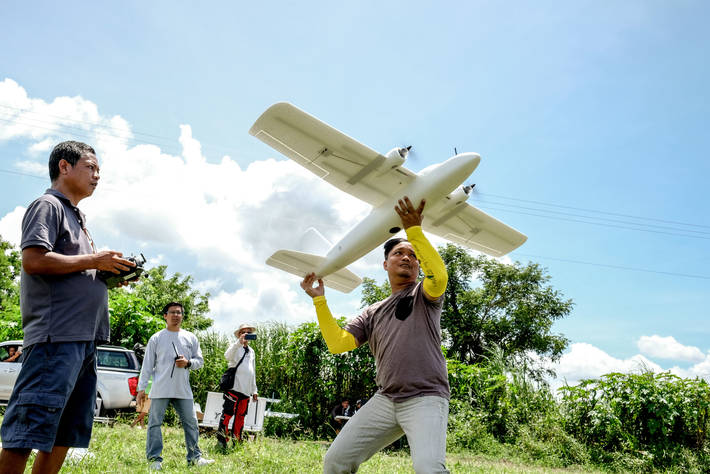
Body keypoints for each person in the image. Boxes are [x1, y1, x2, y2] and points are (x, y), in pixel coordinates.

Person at [0, 141, 136, 474]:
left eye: (98, 169)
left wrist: (107, 274)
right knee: (27, 429)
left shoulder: (78, 218)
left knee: (65, 433)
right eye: (91, 167)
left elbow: (74, 269)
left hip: (85, 342)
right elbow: (34, 260)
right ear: (64, 167)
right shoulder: (48, 205)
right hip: (55, 338)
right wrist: (94, 259)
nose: (97, 175)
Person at [301, 196, 450, 474]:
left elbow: (439, 277)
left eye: (413, 256)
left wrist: (414, 230)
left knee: (429, 468)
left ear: (419, 266)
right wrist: (320, 300)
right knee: (336, 461)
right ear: (385, 265)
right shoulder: (372, 312)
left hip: (426, 397)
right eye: (398, 253)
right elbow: (338, 343)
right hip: (386, 399)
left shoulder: (424, 295)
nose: (407, 257)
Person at [136, 302, 214, 470]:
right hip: (160, 388)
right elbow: (147, 365)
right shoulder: (156, 338)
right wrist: (141, 389)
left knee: (192, 423)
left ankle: (194, 458)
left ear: (182, 316)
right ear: (165, 315)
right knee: (155, 423)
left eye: (179, 312)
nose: (176, 315)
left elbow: (199, 361)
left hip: (182, 389)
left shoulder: (190, 337)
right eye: (172, 312)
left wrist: (187, 363)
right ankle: (154, 459)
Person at [217, 323, 259, 449]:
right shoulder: (235, 347)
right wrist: (238, 343)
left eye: (248, 333)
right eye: (243, 332)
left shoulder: (252, 351)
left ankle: (237, 440)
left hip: (246, 391)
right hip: (233, 387)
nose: (246, 335)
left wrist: (254, 390)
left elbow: (253, 371)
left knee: (240, 417)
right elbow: (227, 356)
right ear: (239, 335)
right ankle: (222, 440)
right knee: (228, 414)